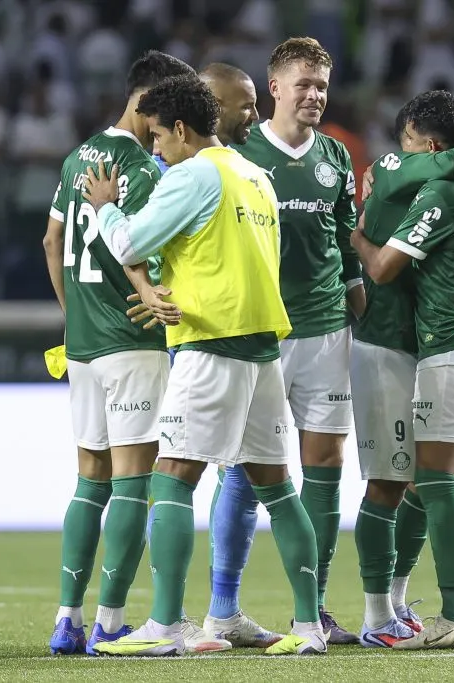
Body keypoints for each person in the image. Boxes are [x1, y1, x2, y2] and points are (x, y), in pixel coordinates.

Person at [84, 75, 327, 657]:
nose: (156, 149)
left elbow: (129, 244)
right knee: (278, 487)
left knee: (171, 477)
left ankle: (165, 626)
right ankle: (309, 627)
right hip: (262, 347)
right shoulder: (254, 174)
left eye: (158, 138)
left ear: (181, 129)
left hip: (212, 341)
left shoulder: (193, 175)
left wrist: (105, 209)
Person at [41, 51, 229, 656]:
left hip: (82, 346)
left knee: (87, 479)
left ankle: (67, 619)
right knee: (132, 481)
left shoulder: (77, 158)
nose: (168, 122)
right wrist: (150, 290)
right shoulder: (141, 169)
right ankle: (110, 621)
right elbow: (141, 246)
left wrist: (74, 316)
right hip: (133, 341)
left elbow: (51, 240)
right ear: (147, 102)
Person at [351, 90, 454, 650]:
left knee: (435, 480)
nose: (405, 154)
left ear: (432, 145)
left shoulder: (440, 195)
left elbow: (383, 267)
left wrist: (357, 237)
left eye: (410, 143)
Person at [216, 35, 363, 645]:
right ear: (274, 88)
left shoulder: (336, 156)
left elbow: (346, 245)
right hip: (262, 333)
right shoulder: (239, 152)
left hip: (328, 331)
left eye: (322, 86)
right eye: (303, 84)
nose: (314, 96)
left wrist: (359, 308)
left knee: (325, 464)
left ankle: (315, 605)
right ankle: (224, 608)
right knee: (246, 471)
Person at [191, 63, 285, 648]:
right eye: (243, 104)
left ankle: (221, 611)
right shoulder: (181, 168)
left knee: (244, 474)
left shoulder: (245, 168)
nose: (253, 114)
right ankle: (158, 617)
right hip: (199, 338)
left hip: (249, 334)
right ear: (210, 105)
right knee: (174, 472)